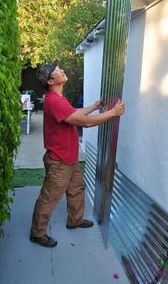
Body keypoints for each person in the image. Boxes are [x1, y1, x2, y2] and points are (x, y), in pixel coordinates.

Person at [30, 62, 125, 247]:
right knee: (49, 198)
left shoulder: (58, 99)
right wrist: (113, 113)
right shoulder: (54, 101)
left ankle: (75, 220)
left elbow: (75, 113)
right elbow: (85, 123)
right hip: (59, 160)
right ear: (51, 80)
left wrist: (95, 106)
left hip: (68, 157)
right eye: (57, 71)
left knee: (77, 189)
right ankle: (37, 233)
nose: (62, 70)